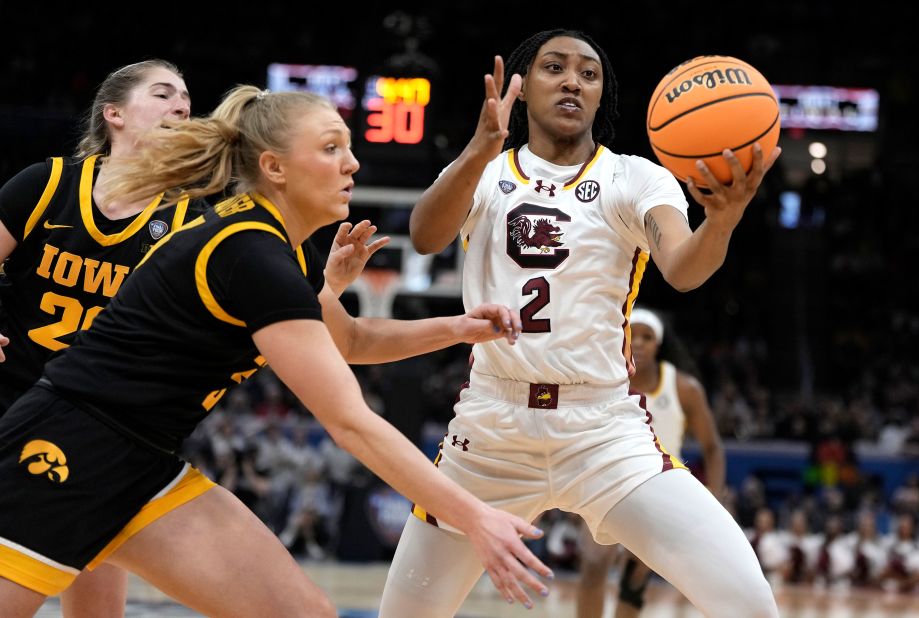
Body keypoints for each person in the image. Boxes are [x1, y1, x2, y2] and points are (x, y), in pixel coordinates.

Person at [0, 85, 553, 617]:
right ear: (274, 167)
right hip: (65, 445)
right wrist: (474, 518)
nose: (352, 164)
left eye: (350, 148)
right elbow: (350, 423)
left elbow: (352, 340)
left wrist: (456, 328)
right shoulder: (250, 254)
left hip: (144, 467)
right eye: (331, 148)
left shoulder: (281, 253)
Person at [379, 29, 782, 617]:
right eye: (554, 68)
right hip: (491, 431)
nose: (573, 80)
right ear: (523, 88)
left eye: (589, 74)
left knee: (750, 604)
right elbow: (425, 235)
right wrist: (476, 149)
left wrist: (721, 221)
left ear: (601, 98)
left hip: (603, 431)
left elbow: (683, 268)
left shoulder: (636, 178)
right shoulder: (487, 172)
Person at [0, 59, 202, 618]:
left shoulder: (193, 222)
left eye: (186, 99)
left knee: (94, 600)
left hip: (97, 425)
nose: (181, 106)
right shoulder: (47, 184)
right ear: (113, 113)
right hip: (10, 404)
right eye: (163, 94)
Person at [575, 307, 726, 618]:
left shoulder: (685, 389)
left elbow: (712, 448)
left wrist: (714, 497)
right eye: (634, 335)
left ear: (659, 343)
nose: (640, 343)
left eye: (648, 337)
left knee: (635, 581)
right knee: (592, 567)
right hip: (605, 484)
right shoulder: (601, 378)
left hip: (658, 491)